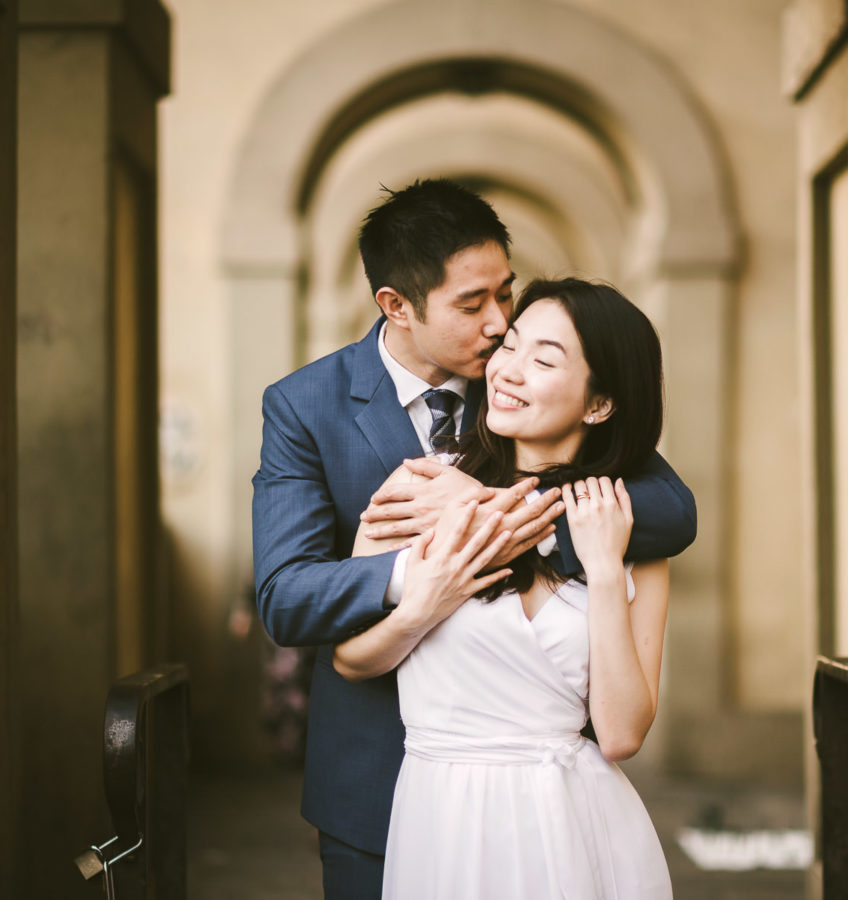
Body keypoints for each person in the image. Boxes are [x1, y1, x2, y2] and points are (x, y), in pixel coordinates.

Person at [252, 180, 696, 899]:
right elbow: (286, 596)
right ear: (396, 305)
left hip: (543, 790)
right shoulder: (307, 406)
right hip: (376, 778)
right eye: (472, 305)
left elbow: (671, 512)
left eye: (505, 295)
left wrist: (490, 510)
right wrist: (421, 578)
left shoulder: (520, 381)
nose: (497, 326)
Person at [334, 278, 675, 898]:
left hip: (578, 823)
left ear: (599, 405)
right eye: (510, 348)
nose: (508, 371)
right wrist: (422, 608)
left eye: (543, 360)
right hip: (446, 815)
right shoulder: (421, 491)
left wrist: (602, 572)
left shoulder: (626, 530)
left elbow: (622, 735)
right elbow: (350, 658)